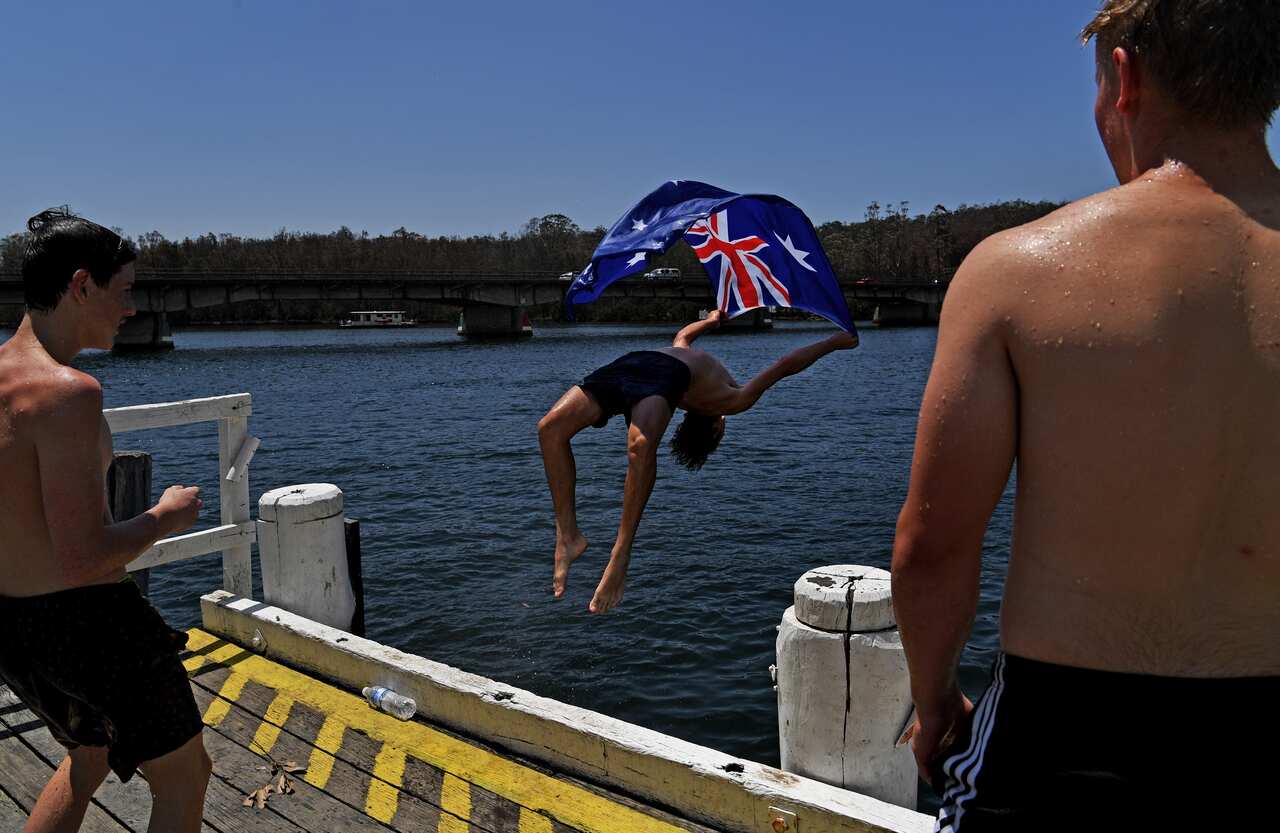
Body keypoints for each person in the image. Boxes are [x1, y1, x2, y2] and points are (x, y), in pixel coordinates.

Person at [891, 1, 1280, 829]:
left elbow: (932, 550)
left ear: (1126, 79)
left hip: (1065, 744)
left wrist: (935, 704)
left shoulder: (1014, 273)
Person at [0, 210, 210, 833]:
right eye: (123, 292)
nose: (131, 309)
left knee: (88, 755)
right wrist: (163, 516)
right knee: (184, 775)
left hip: (14, 628)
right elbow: (84, 559)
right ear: (82, 285)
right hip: (88, 627)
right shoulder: (68, 393)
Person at [539, 309, 856, 613]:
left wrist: (710, 322)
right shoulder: (727, 398)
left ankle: (619, 556)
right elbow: (781, 364)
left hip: (639, 365)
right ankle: (568, 535)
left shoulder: (711, 396)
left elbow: (687, 337)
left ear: (711, 423)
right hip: (647, 369)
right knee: (559, 431)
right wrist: (832, 343)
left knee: (569, 433)